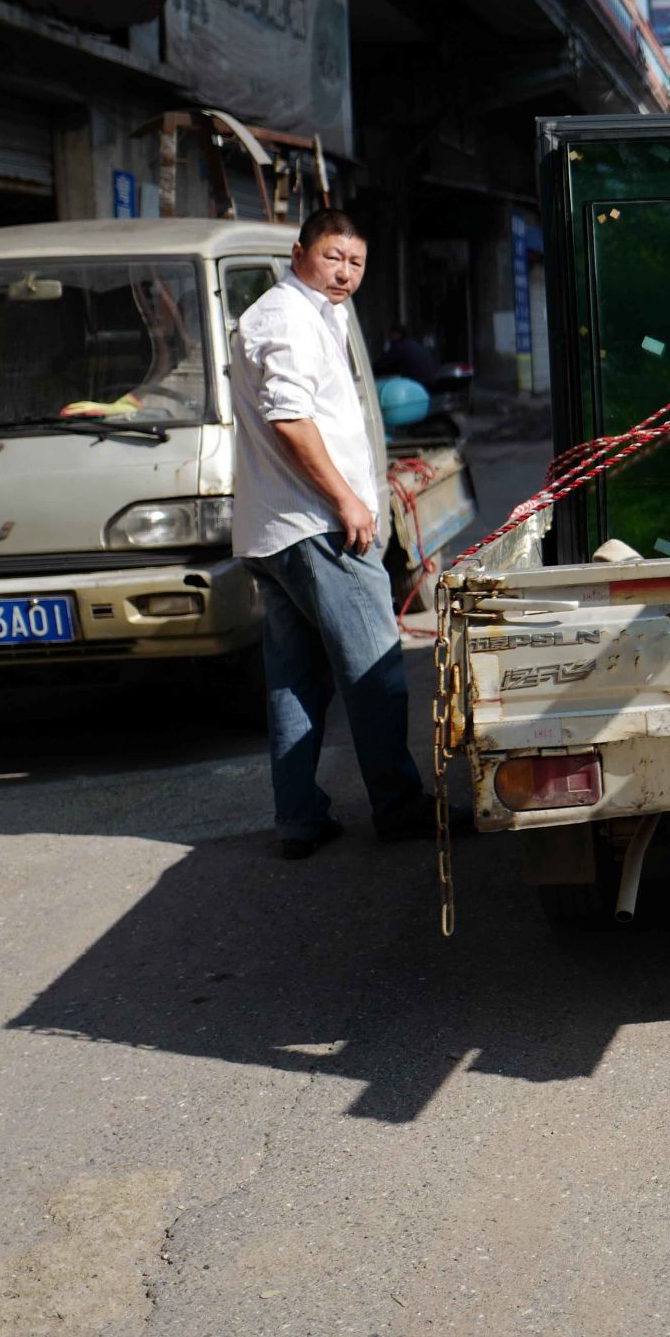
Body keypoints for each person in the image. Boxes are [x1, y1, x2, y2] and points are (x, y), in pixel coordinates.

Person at [231, 210, 435, 858]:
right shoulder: (284, 316)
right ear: (299, 252)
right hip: (316, 526)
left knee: (297, 680)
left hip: (285, 527)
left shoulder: (318, 312)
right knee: (376, 671)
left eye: (356, 263)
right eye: (332, 257)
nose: (344, 273)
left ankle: (299, 818)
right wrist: (347, 500)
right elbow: (290, 419)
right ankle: (399, 809)